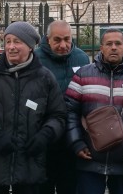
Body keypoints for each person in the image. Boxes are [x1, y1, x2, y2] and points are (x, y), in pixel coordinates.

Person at [0, 21, 67, 194]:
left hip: (30, 167)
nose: (11, 47)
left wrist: (46, 134)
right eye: (8, 41)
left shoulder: (45, 78)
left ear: (31, 46)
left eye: (17, 41)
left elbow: (58, 115)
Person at [64, 28, 123, 194]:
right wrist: (76, 143)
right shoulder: (83, 75)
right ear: (101, 48)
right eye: (109, 44)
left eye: (118, 43)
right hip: (89, 157)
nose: (114, 47)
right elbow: (70, 113)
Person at [35, 20, 90, 194]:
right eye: (57, 40)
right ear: (47, 39)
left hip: (73, 136)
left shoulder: (81, 57)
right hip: (45, 136)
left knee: (70, 186)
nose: (63, 45)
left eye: (67, 39)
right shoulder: (35, 58)